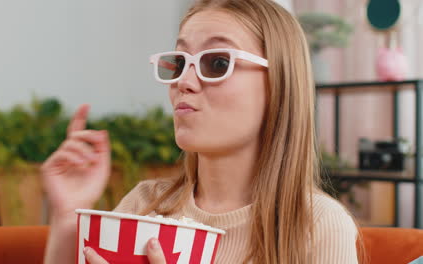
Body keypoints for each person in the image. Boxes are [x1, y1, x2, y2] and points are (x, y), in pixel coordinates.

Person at [42, 0, 361, 263]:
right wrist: (68, 216)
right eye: (179, 64)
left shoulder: (319, 226)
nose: (184, 82)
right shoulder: (145, 204)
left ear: (279, 83)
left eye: (217, 63)